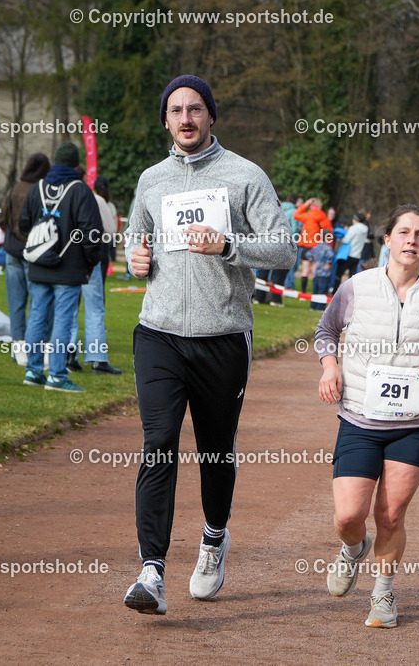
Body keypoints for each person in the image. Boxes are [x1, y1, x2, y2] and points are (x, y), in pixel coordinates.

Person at [121, 74, 296, 615]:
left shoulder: (245, 176)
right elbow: (135, 237)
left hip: (222, 336)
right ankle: (151, 572)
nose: (186, 118)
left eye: (196, 108)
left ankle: (214, 538)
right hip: (160, 333)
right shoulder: (152, 180)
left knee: (216, 448)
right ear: (166, 120)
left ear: (211, 116)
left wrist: (228, 245)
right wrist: (135, 257)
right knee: (159, 441)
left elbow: (284, 249)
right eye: (176, 110)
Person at [315, 204, 419, 629]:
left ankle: (382, 594)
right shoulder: (357, 287)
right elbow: (325, 333)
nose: (411, 240)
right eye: (403, 232)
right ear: (388, 240)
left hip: (417, 423)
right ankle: (352, 549)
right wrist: (330, 367)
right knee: (348, 517)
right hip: (361, 418)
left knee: (391, 515)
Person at [18, 142, 103, 392]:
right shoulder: (80, 190)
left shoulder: (38, 188)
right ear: (76, 165)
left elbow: (24, 225)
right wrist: (89, 261)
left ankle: (33, 372)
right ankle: (56, 375)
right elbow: (92, 233)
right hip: (69, 268)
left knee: (36, 318)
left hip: (40, 266)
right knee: (63, 321)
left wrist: (40, 247)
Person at [67, 174, 121, 375]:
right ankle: (97, 358)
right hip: (91, 260)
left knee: (69, 308)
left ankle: (69, 354)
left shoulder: (64, 197)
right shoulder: (97, 200)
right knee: (94, 309)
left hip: (69, 261)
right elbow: (109, 230)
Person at [0, 153, 50, 366]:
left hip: (12, 252)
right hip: (33, 254)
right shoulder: (41, 191)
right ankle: (35, 347)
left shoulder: (13, 190)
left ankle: (18, 347)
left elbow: (2, 220)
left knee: (16, 303)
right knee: (38, 304)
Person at [294, 196, 333, 295]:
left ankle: (303, 293)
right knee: (316, 270)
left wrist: (305, 204)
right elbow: (329, 233)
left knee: (305, 270)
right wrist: (330, 248)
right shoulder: (323, 217)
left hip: (306, 246)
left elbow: (296, 215)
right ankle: (315, 293)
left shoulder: (307, 215)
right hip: (317, 247)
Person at [332, 211, 369, 292]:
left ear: (355, 219)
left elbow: (346, 240)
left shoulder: (354, 228)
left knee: (339, 274)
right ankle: (349, 294)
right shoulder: (365, 229)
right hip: (357, 256)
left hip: (348, 255)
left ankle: (334, 292)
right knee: (351, 277)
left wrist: (342, 236)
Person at [309, 231, 335, 311]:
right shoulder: (327, 248)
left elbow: (309, 255)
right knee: (322, 290)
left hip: (317, 272)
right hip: (324, 273)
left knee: (315, 290)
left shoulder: (317, 247)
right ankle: (320, 307)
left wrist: (313, 264)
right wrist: (328, 264)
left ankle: (313, 306)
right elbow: (331, 256)